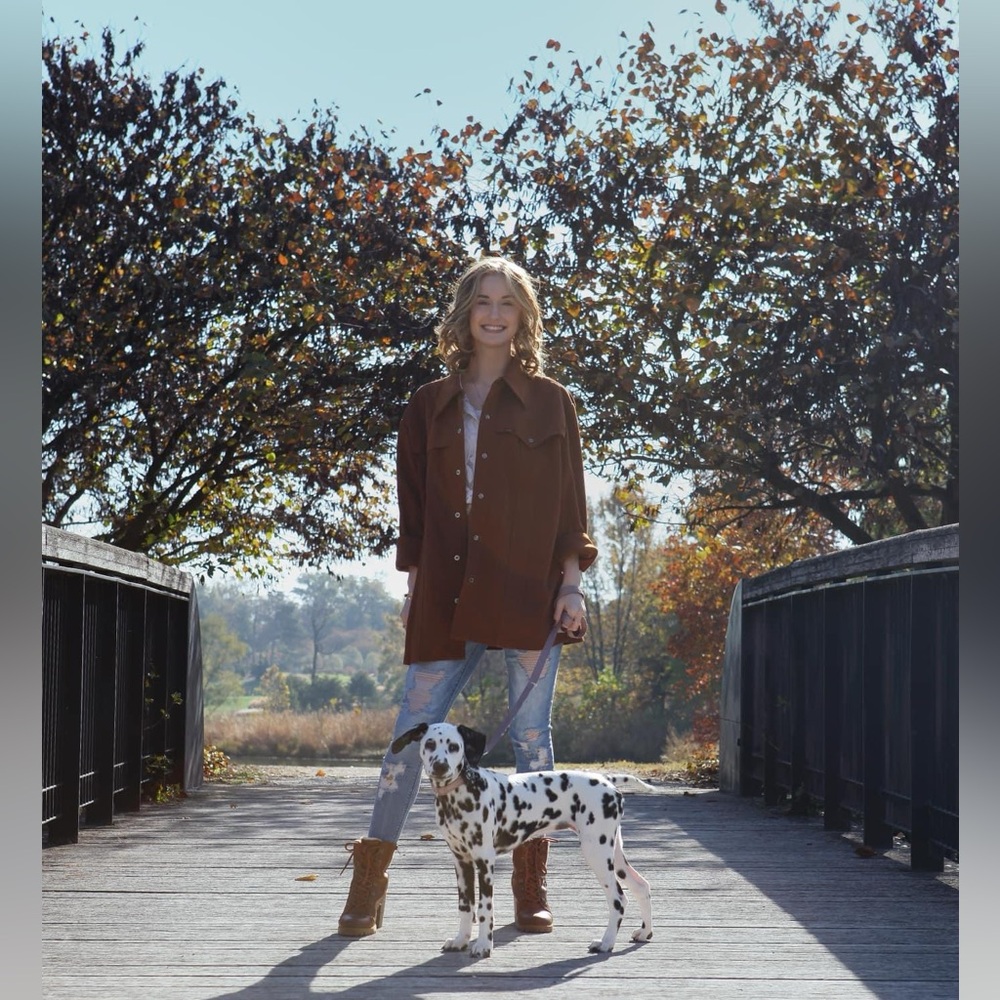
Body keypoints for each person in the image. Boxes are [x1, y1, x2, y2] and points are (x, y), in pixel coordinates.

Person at [337, 254, 597, 939]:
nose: (494, 313)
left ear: (523, 316)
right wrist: (415, 587)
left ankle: (529, 888)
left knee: (533, 741)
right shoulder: (428, 404)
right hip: (447, 595)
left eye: (507, 302)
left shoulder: (552, 402)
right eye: (483, 300)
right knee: (409, 735)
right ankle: (369, 883)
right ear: (464, 312)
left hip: (528, 593)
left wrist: (571, 584)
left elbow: (570, 505)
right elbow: (414, 510)